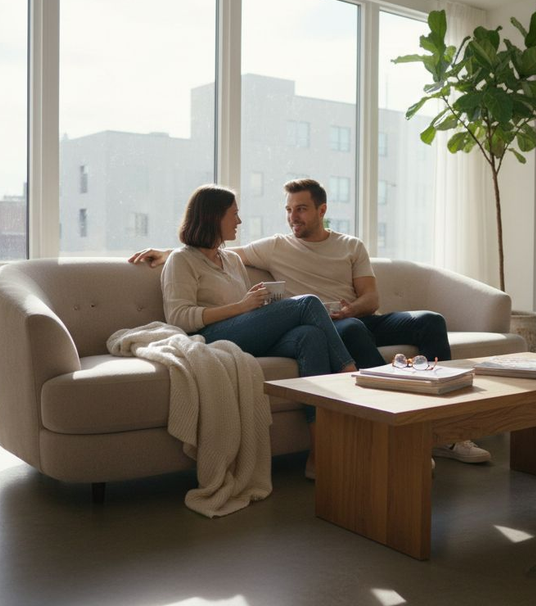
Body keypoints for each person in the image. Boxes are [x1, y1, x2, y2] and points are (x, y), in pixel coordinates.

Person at [131, 179, 491, 465]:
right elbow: (187, 291)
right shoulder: (264, 247)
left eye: (300, 209)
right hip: (273, 330)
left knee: (417, 322)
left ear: (321, 210)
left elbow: (371, 299)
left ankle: (338, 453)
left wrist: (350, 309)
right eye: (289, 210)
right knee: (316, 316)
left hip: (352, 318)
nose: (292, 217)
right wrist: (167, 253)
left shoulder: (343, 246)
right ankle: (366, 385)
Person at [162, 184, 358, 479]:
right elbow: (180, 317)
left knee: (310, 336)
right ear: (214, 217)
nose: (239, 222)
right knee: (308, 303)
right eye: (234, 214)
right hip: (212, 338)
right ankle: (350, 373)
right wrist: (241, 307)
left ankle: (319, 454)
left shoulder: (232, 260)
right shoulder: (181, 260)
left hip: (246, 333)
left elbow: (246, 310)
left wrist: (259, 305)